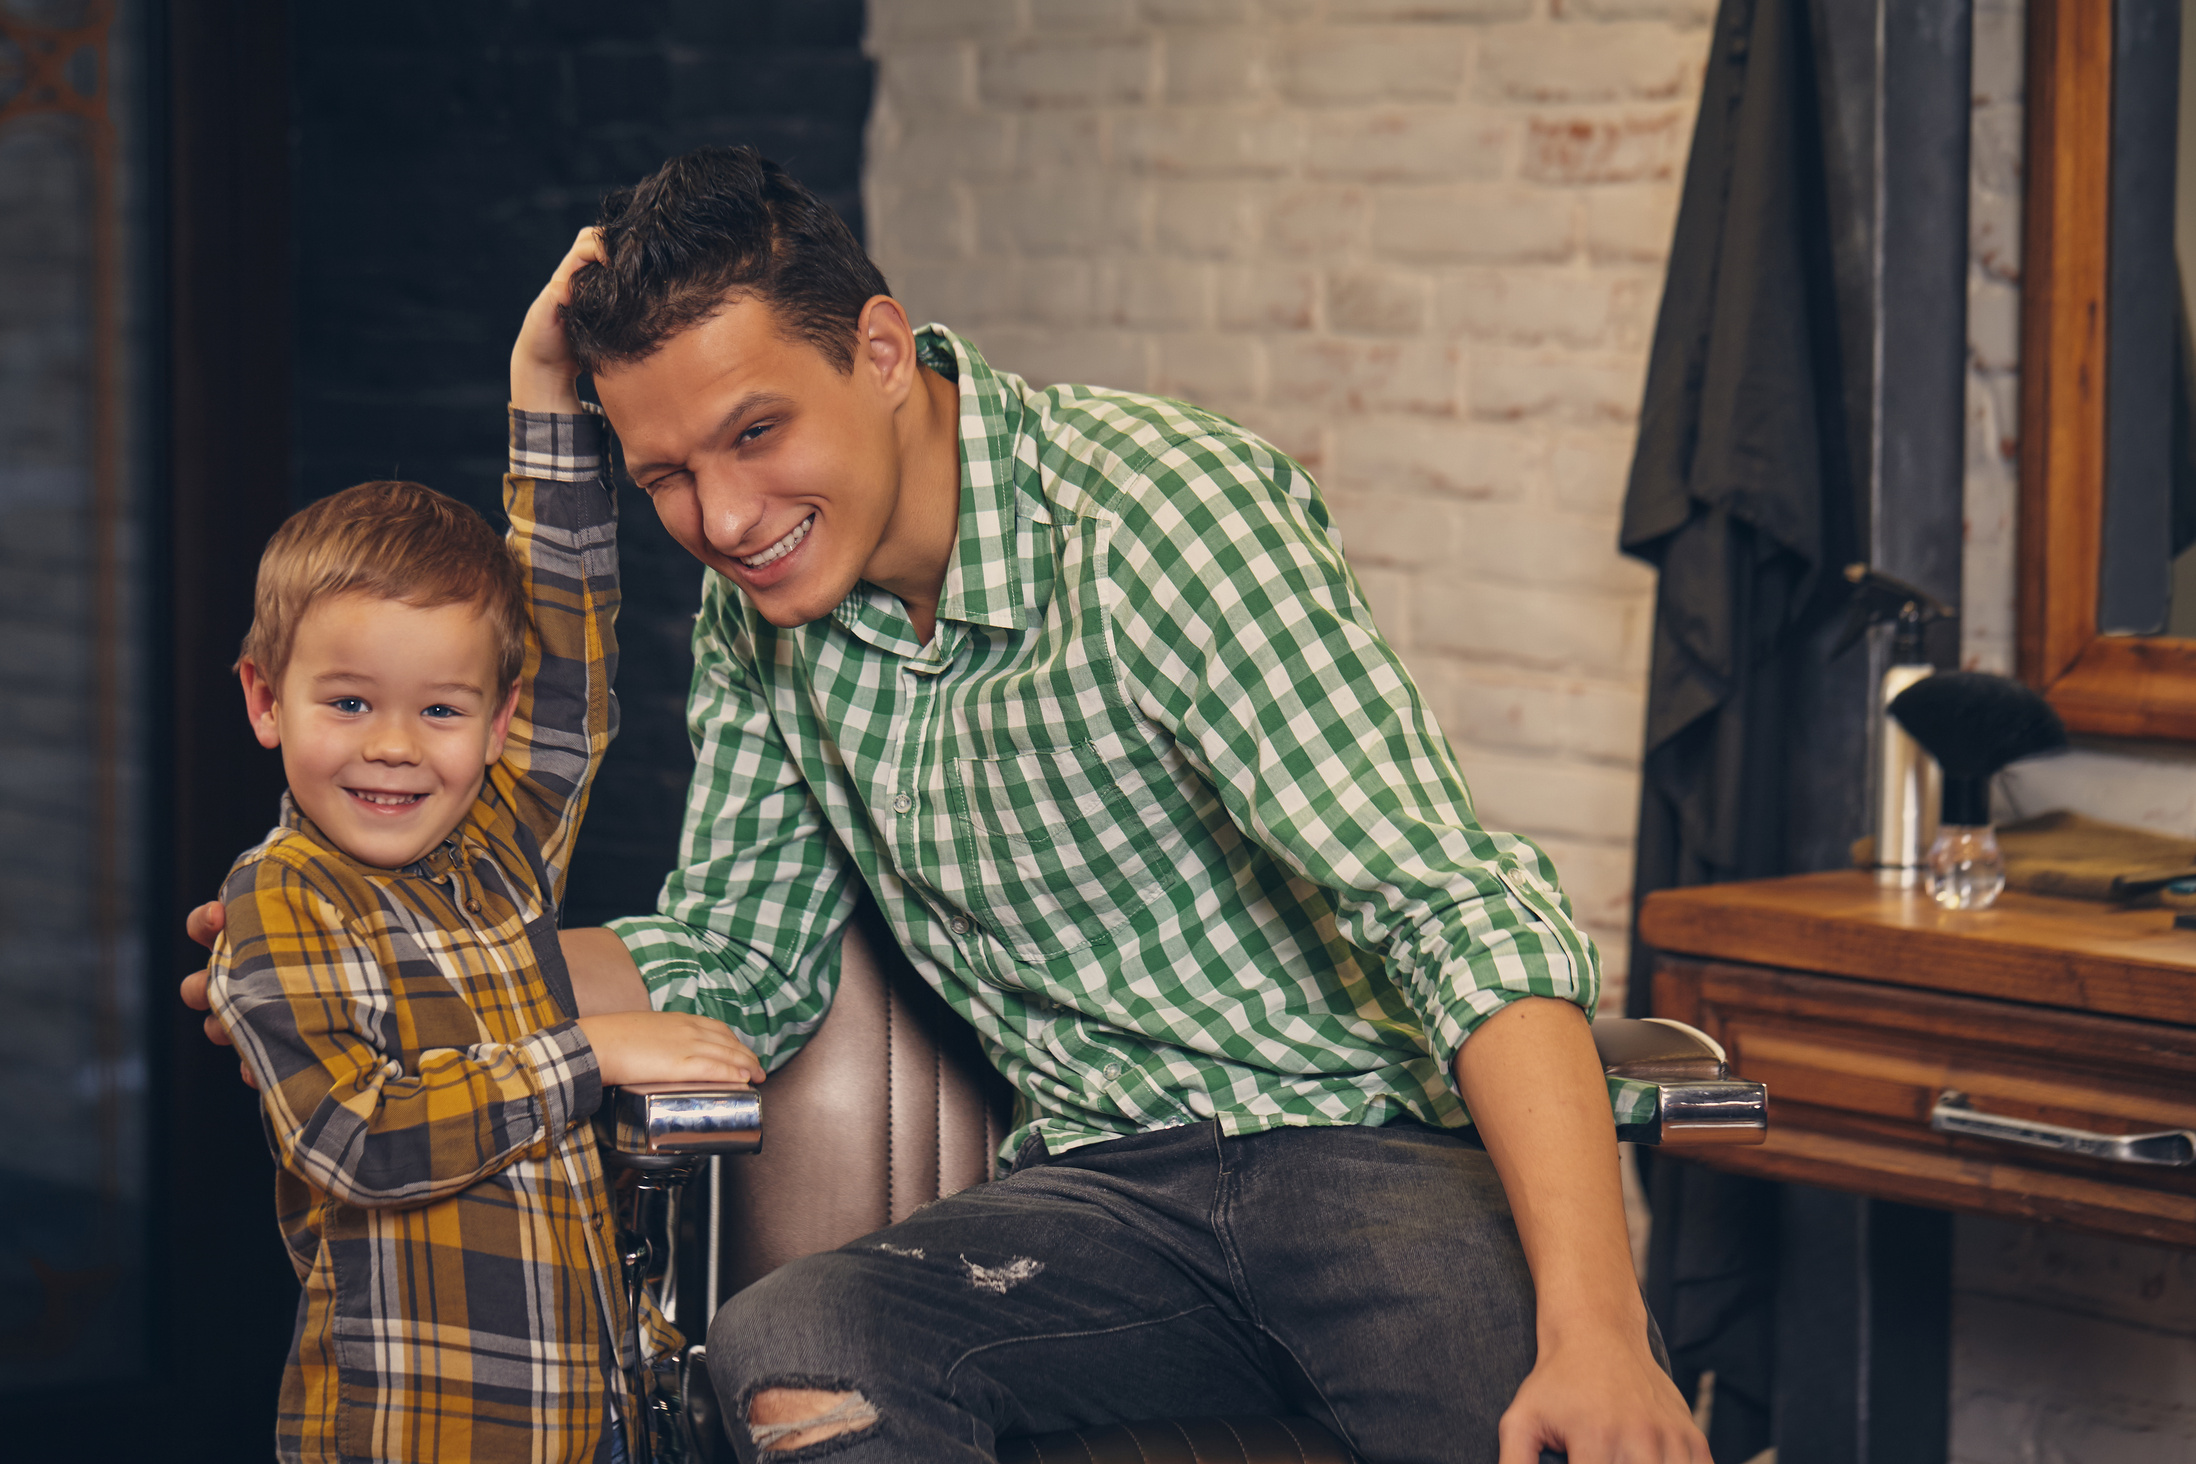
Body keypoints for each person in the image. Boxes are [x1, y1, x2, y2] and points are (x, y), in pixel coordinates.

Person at [191, 147, 1706, 1464]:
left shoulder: (1156, 517)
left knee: (1552, 1427)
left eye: (754, 433)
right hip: (1101, 1198)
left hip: (1364, 1161)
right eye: (663, 476)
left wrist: (1602, 1325)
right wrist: (369, 973)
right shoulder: (764, 623)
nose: (718, 521)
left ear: (881, 348)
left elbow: (1448, 908)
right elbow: (740, 962)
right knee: (795, 1351)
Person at [199, 242, 760, 1464]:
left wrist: (545, 397)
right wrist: (588, 1053)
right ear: (264, 701)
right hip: (412, 1433)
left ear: (495, 724)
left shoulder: (498, 860)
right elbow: (360, 1134)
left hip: (584, 1423)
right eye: (347, 704)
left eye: (442, 711)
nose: (396, 748)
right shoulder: (279, 896)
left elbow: (566, 668)